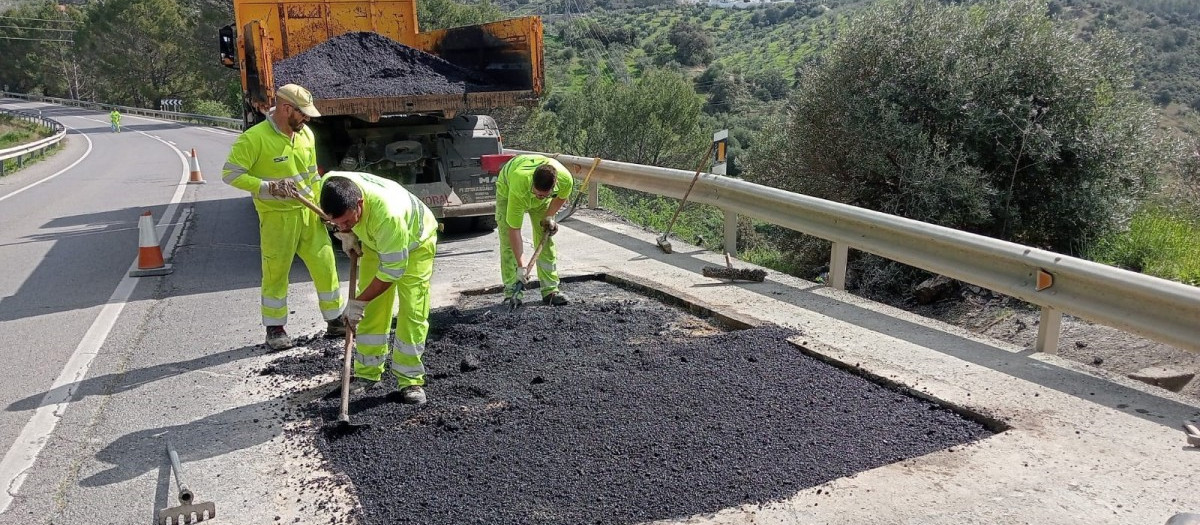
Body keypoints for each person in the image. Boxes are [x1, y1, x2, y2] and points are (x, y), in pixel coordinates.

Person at [221, 84, 345, 350]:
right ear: (287, 109)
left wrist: (323, 206)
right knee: (276, 273)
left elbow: (313, 175)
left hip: (309, 214)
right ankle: (275, 329)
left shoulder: (306, 135)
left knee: (326, 266)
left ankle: (335, 320)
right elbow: (230, 174)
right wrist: (268, 186)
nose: (307, 119)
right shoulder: (254, 139)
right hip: (277, 219)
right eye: (303, 113)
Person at [320, 171, 438, 404]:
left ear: (360, 203)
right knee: (372, 309)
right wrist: (346, 232)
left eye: (346, 220)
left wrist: (357, 302)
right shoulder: (330, 184)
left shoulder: (388, 216)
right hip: (375, 242)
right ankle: (367, 373)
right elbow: (338, 216)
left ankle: (410, 379)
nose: (342, 225)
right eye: (337, 222)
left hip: (416, 243)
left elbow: (392, 271)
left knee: (412, 310)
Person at [494, 153, 573, 308]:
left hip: (536, 194)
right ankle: (512, 292)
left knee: (545, 238)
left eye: (544, 195)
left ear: (554, 185)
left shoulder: (565, 179)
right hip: (508, 190)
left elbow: (562, 197)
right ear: (532, 184)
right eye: (537, 193)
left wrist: (549, 216)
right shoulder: (520, 184)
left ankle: (550, 290)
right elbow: (514, 230)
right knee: (507, 242)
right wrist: (522, 267)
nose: (538, 197)